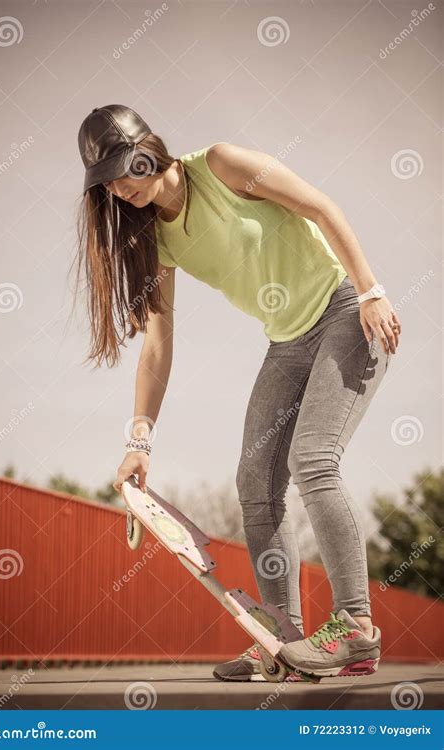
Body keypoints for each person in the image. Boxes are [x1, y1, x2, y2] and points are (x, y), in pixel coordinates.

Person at [76, 104, 401, 682]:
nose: (119, 191)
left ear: (147, 150)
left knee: (313, 459)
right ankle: (283, 637)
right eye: (106, 186)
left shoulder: (222, 165)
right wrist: (140, 442)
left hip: (346, 312)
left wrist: (371, 289)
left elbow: (320, 206)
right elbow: (156, 347)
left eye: (124, 172)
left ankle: (356, 627)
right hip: (288, 341)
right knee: (255, 482)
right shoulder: (156, 240)